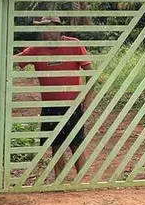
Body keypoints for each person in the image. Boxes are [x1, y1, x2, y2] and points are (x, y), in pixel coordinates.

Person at [15, 16, 92, 176]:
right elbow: (15, 61)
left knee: (76, 143)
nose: (47, 33)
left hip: (72, 104)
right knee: (55, 144)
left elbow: (90, 73)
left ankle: (82, 182)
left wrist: (88, 97)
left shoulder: (74, 44)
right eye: (44, 29)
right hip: (50, 106)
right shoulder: (36, 49)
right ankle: (59, 181)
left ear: (59, 29)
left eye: (51, 28)